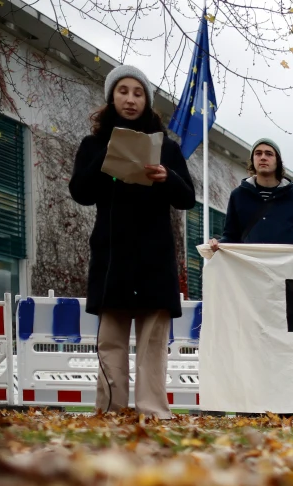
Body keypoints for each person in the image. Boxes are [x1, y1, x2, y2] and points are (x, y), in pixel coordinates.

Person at [69, 64, 196, 420]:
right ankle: (110, 412)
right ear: (111, 97)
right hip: (113, 258)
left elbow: (187, 199)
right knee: (110, 341)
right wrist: (108, 157)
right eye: (123, 91)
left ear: (147, 101)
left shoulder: (167, 148)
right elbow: (80, 192)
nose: (130, 99)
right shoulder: (93, 145)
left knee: (153, 344)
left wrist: (167, 177)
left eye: (138, 93)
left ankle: (153, 413)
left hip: (155, 259)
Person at [209, 138, 293, 251]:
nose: (263, 157)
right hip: (249, 261)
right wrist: (218, 243)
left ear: (278, 161)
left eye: (269, 154)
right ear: (253, 160)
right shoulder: (238, 196)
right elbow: (231, 237)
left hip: (286, 262)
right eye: (258, 153)